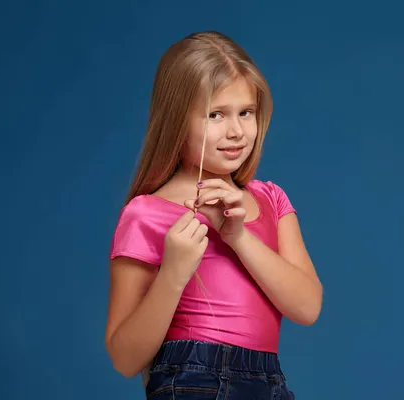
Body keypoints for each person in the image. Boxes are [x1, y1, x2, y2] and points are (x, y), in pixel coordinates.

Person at [104, 30, 323, 399]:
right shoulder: (146, 215)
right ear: (175, 120)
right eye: (215, 114)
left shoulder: (270, 200)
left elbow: (307, 307)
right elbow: (125, 359)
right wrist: (173, 273)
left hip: (270, 383)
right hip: (194, 382)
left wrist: (238, 237)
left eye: (246, 112)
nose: (236, 131)